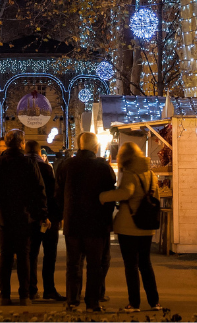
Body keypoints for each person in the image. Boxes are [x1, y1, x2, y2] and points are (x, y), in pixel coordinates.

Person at [0, 129, 48, 306]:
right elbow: (39, 190)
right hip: (24, 215)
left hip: (4, 216)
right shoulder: (28, 163)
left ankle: (5, 295)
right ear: (21, 143)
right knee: (23, 256)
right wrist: (41, 213)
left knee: (5, 256)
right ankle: (24, 295)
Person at [55, 132, 116, 313]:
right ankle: (92, 302)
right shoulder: (103, 167)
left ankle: (72, 300)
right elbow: (110, 193)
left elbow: (58, 194)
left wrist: (62, 215)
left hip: (73, 222)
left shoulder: (66, 165)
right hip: (97, 223)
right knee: (95, 265)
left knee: (73, 264)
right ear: (96, 147)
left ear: (78, 145)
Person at [99, 142, 162, 312]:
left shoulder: (130, 174)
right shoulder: (151, 174)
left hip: (129, 226)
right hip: (147, 227)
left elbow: (125, 193)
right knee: (145, 264)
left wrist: (104, 196)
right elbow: (156, 197)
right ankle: (154, 301)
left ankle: (134, 303)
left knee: (131, 266)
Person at [25, 140, 64, 301]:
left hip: (28, 218)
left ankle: (31, 289)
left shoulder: (21, 167)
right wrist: (57, 216)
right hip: (48, 217)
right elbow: (53, 193)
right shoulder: (46, 168)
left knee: (31, 255)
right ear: (40, 152)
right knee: (49, 255)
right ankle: (49, 289)